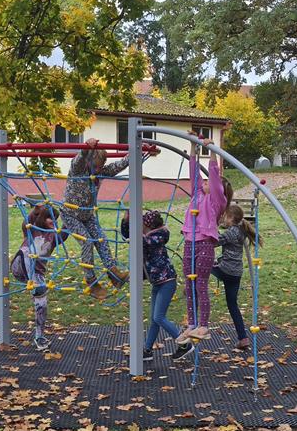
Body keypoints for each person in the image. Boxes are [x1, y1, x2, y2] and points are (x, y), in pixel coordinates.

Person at [61, 139, 135, 300]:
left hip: (87, 215)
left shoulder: (100, 173)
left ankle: (114, 274)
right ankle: (91, 282)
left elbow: (118, 166)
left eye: (101, 166)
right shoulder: (78, 170)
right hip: (70, 214)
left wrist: (136, 153)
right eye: (95, 166)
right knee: (87, 242)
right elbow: (78, 160)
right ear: (88, 161)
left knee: (101, 239)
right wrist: (86, 149)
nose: (98, 169)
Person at [176, 146, 231, 346]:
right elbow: (194, 173)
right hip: (189, 243)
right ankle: (191, 324)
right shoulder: (196, 195)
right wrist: (193, 148)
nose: (205, 181)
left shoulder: (217, 201)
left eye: (209, 182)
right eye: (204, 181)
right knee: (189, 285)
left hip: (205, 244)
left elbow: (214, 176)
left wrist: (211, 150)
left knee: (200, 284)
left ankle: (204, 326)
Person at [122, 210, 188, 360]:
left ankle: (184, 343)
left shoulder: (157, 237)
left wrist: (133, 229)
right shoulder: (147, 236)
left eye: (141, 224)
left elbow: (142, 241)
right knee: (154, 319)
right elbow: (127, 236)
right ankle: (147, 350)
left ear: (148, 226)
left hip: (167, 282)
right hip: (158, 282)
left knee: (159, 317)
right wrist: (126, 221)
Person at [10, 202, 69, 351]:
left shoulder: (53, 237)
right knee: (27, 253)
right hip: (20, 266)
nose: (53, 222)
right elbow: (28, 220)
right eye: (50, 218)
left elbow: (66, 230)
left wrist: (70, 215)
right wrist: (36, 211)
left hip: (37, 275)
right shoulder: (32, 229)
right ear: (43, 218)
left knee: (42, 305)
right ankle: (33, 283)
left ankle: (39, 337)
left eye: (55, 219)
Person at [211, 203, 256, 352]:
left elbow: (214, 242)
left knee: (203, 265)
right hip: (236, 273)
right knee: (232, 305)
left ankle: (192, 287)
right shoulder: (240, 230)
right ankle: (243, 338)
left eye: (225, 216)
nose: (224, 219)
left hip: (226, 270)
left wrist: (212, 227)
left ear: (231, 218)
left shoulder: (231, 232)